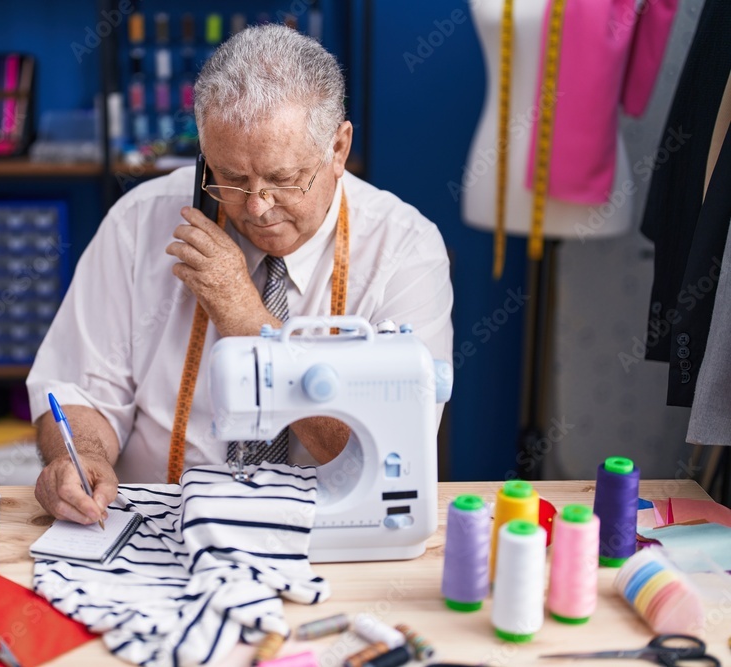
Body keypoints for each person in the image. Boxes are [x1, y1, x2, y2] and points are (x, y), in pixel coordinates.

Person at [26, 24, 453, 523]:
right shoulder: (140, 221)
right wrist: (80, 456)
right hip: (160, 526)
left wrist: (245, 317)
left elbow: (387, 455)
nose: (257, 207)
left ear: (338, 149)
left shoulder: (405, 249)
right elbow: (80, 390)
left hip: (330, 532)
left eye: (284, 179)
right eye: (229, 177)